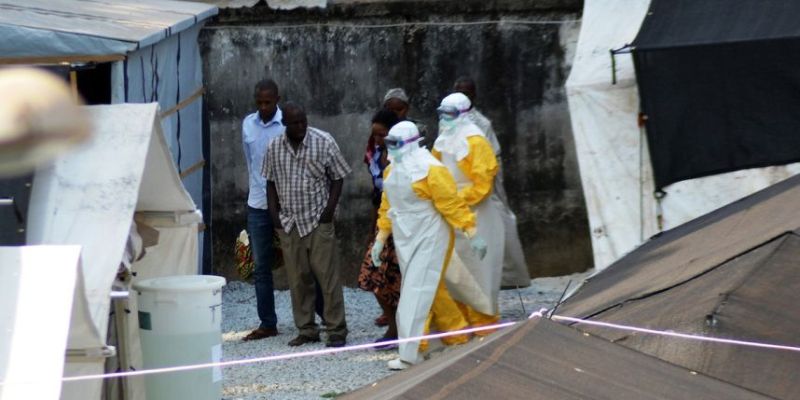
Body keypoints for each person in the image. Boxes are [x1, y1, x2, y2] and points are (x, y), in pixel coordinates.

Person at [372, 121, 487, 370]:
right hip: (405, 237)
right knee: (427, 291)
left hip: (431, 234)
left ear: (412, 143)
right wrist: (381, 237)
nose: (391, 148)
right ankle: (456, 337)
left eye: (396, 143)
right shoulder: (392, 171)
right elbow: (387, 205)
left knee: (414, 293)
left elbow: (450, 203)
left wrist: (470, 229)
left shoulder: (431, 170)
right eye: (389, 143)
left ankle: (410, 354)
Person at [263, 102, 351, 348]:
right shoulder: (273, 147)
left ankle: (336, 329)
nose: (301, 126)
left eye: (303, 121)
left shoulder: (323, 141)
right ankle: (307, 329)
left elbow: (338, 178)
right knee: (298, 279)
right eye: (295, 123)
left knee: (328, 278)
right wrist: (274, 216)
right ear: (285, 125)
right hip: (289, 222)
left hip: (317, 219)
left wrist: (328, 212)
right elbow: (269, 182)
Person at [432, 92, 505, 333]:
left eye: (450, 114)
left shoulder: (476, 141)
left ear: (463, 114)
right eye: (442, 113)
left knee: (479, 270)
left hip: (477, 216)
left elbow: (483, 184)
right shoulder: (442, 140)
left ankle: (485, 325)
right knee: (454, 271)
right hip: (451, 214)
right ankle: (461, 323)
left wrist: (455, 199)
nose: (444, 118)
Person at [453, 76, 530, 288]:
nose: (464, 96)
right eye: (460, 92)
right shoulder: (452, 120)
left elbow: (486, 158)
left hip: (483, 177)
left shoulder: (480, 123)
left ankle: (508, 275)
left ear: (474, 96)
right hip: (462, 179)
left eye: (467, 92)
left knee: (495, 217)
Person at [241, 79, 283, 341]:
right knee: (261, 267)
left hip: (286, 204)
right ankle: (268, 323)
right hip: (257, 203)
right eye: (260, 102)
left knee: (302, 264)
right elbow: (250, 160)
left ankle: (317, 319)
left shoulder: (288, 122)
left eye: (268, 102)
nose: (264, 107)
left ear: (277, 99)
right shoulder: (248, 124)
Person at [357, 109, 402, 348]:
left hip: (403, 226)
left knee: (396, 281)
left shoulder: (402, 156)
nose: (377, 140)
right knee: (374, 278)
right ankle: (394, 327)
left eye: (382, 135)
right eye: (374, 135)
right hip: (383, 221)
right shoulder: (375, 154)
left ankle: (400, 330)